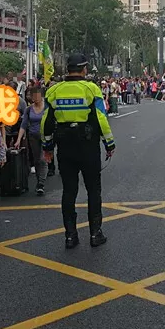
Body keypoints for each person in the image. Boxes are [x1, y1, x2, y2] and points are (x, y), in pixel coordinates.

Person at [42, 53, 115, 249]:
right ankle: (95, 234)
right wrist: (109, 144)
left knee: (69, 192)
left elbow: (46, 123)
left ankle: (70, 236)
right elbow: (101, 119)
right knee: (93, 190)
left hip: (65, 148)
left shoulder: (54, 91)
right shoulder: (91, 89)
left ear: (68, 69)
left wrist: (47, 148)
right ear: (84, 69)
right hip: (88, 147)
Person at [14, 86, 48, 195]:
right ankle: (39, 181)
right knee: (37, 160)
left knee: (43, 159)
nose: (36, 99)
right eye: (34, 97)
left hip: (45, 137)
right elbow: (23, 125)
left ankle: (41, 183)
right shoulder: (29, 109)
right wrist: (18, 139)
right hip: (33, 137)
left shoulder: (47, 107)